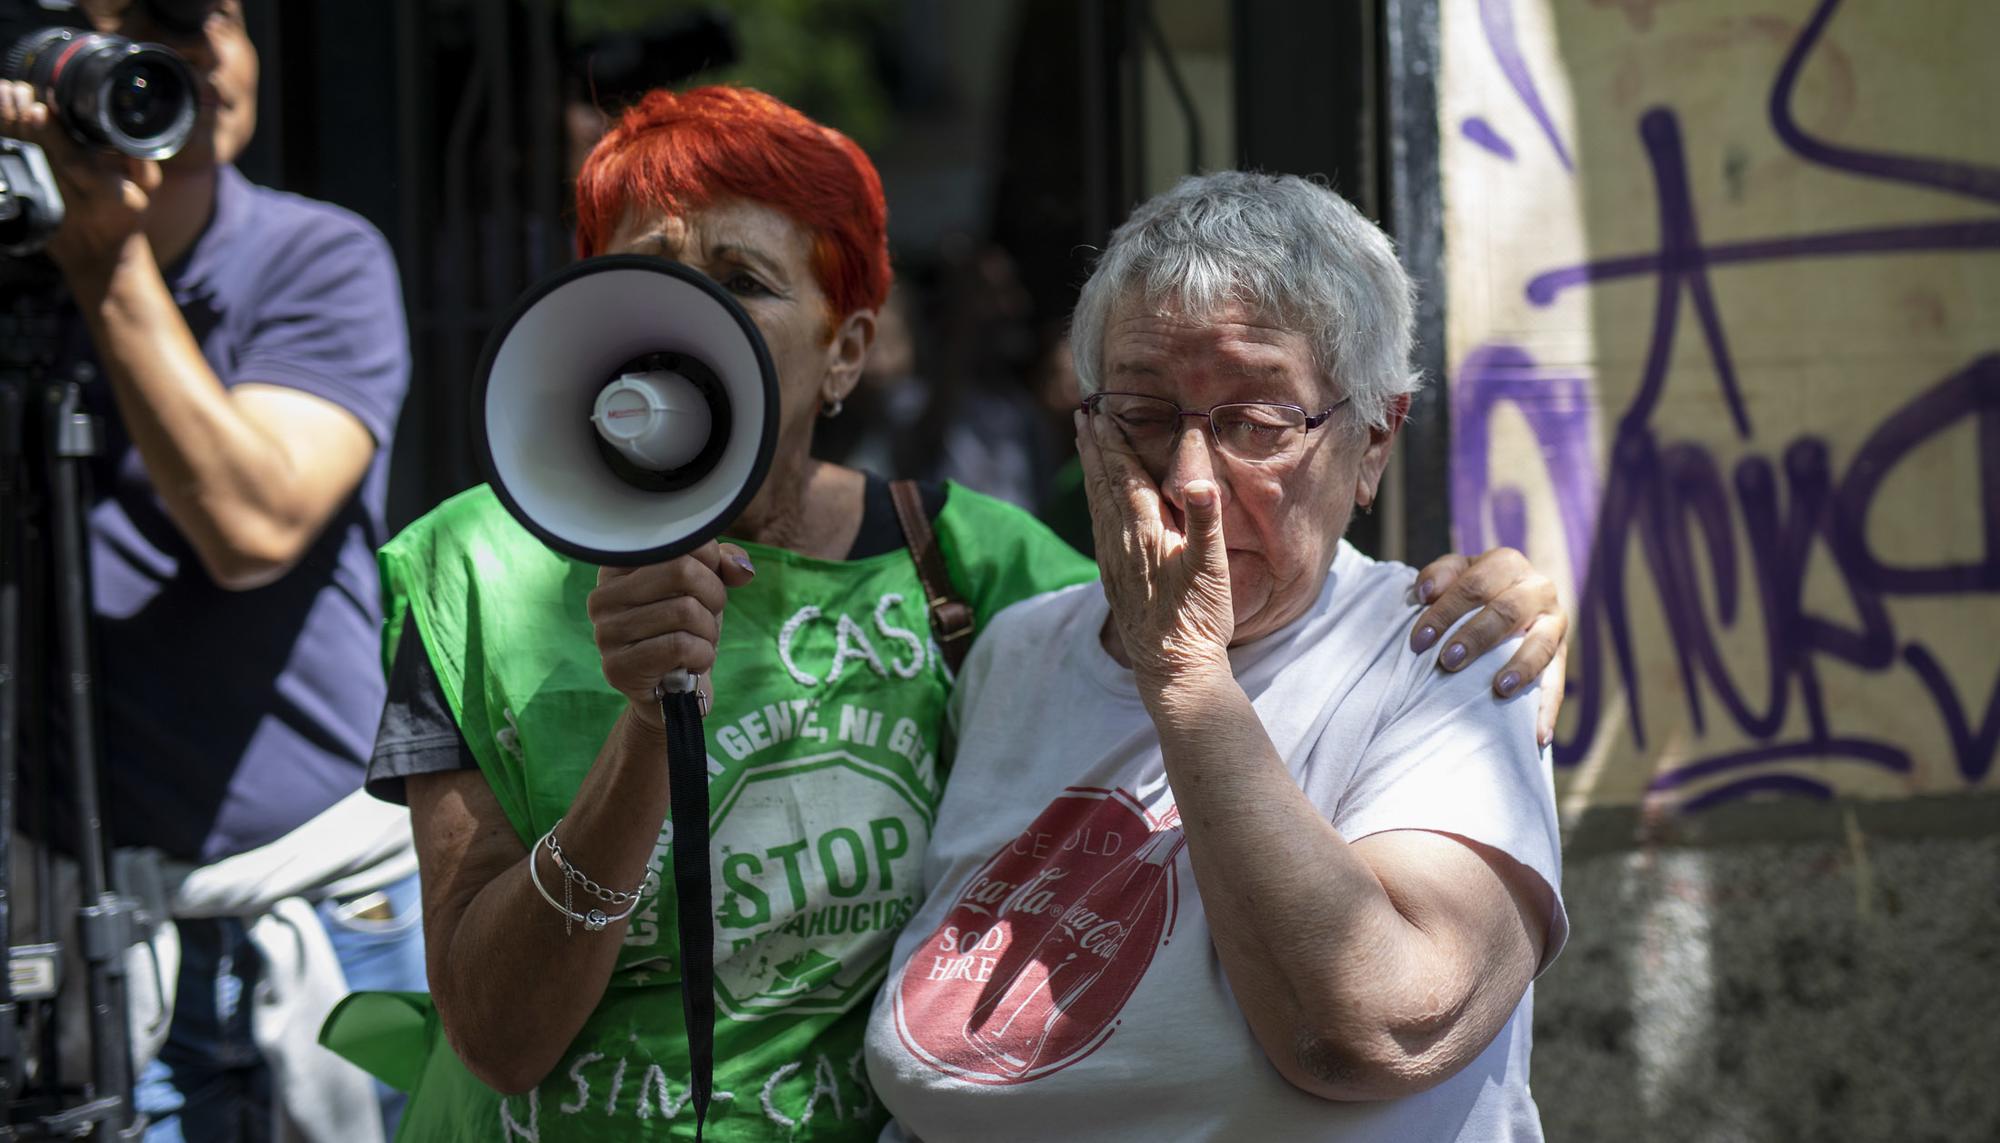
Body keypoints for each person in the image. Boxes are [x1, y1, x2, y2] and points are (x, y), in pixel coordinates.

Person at [336, 87, 1569, 1140]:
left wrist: (1498, 609)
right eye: (641, 280)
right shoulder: (470, 576)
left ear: (845, 349)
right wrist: (643, 743)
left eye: (741, 284)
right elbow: (496, 1037)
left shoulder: (971, 573)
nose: (683, 328)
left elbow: (1208, 622)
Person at [864, 172, 1568, 1141]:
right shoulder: (1017, 654)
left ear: (1371, 442)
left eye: (1257, 424)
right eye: (1144, 418)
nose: (1190, 481)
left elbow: (1369, 1031)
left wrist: (1185, 675)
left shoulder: (1443, 657)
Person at [0, 2, 420, 1139]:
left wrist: (108, 264)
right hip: (71, 921)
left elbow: (254, 524)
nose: (183, 57)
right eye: (135, 26)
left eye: (207, 18)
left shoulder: (317, 256)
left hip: (327, 906)